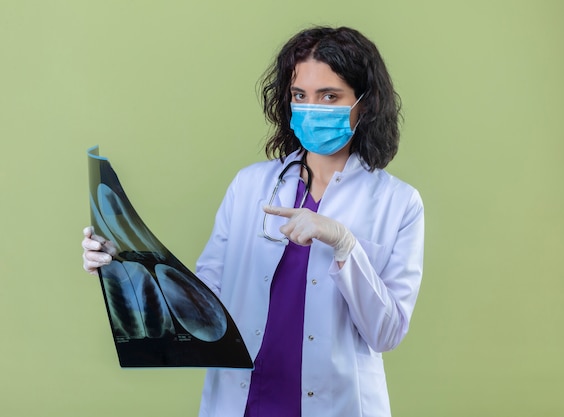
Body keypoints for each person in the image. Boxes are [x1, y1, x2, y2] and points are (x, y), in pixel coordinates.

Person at [82, 26, 424, 417]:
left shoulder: (399, 203)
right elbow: (204, 302)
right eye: (300, 96)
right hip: (244, 400)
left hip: (337, 403)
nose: (311, 108)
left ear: (365, 103)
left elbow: (387, 333)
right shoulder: (249, 185)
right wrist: (124, 265)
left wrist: (346, 244)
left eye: (329, 96)